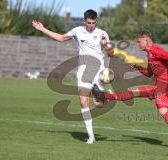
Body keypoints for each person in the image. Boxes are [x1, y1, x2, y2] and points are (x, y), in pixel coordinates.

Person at [92, 30, 168, 150]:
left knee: (163, 110)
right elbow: (149, 73)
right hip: (158, 85)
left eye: (139, 42)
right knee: (134, 93)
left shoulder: (155, 50)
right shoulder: (150, 54)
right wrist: (138, 67)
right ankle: (103, 95)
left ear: (146, 40)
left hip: (164, 85)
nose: (138, 45)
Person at [32, 9, 111, 144]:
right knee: (83, 101)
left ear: (96, 21)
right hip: (83, 71)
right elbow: (61, 38)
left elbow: (111, 52)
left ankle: (104, 94)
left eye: (93, 22)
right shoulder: (78, 31)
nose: (91, 25)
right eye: (89, 22)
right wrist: (42, 29)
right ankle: (91, 136)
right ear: (84, 21)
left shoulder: (102, 33)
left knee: (98, 105)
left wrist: (105, 45)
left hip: (98, 71)